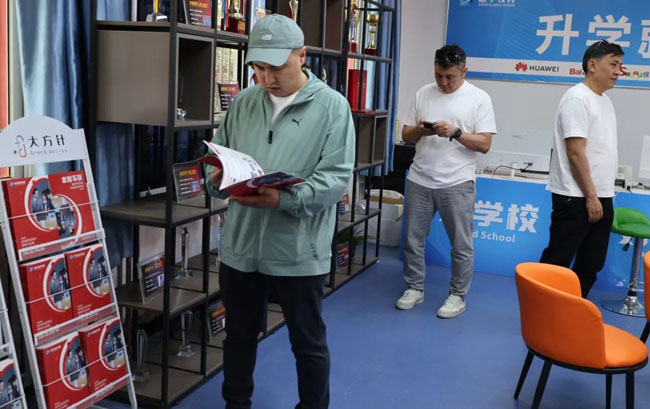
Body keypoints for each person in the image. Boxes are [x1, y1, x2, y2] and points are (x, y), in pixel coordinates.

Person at [205, 14, 354, 409]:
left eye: (276, 67)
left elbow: (336, 178)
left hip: (297, 251)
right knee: (238, 337)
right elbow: (219, 155)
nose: (267, 78)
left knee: (307, 342)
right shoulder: (243, 102)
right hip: (241, 246)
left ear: (301, 55)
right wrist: (217, 178)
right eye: (258, 67)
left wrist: (284, 199)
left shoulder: (332, 107)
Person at [397, 44, 497, 318]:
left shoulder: (479, 98)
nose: (443, 82)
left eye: (450, 77)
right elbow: (405, 134)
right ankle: (414, 288)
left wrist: (456, 132)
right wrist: (421, 130)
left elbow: (485, 144)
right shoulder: (423, 93)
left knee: (461, 245)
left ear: (464, 72)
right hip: (420, 178)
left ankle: (457, 295)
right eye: (438, 75)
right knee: (413, 240)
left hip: (457, 181)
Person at [540, 40, 624, 298]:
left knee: (591, 264)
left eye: (620, 65)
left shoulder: (604, 101)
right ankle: (542, 313)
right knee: (558, 261)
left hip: (601, 195)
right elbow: (575, 153)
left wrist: (599, 196)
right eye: (613, 64)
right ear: (592, 65)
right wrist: (591, 196)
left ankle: (572, 311)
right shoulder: (577, 99)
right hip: (576, 196)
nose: (618, 71)